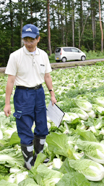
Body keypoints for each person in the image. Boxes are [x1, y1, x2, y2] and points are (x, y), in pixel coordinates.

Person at [3, 24, 57, 169]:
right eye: (26, 40)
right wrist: (7, 103)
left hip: (39, 92)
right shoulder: (15, 56)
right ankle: (28, 160)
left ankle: (39, 155)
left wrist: (52, 93)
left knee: (41, 123)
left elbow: (47, 76)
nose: (29, 43)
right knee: (25, 125)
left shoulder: (43, 55)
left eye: (31, 40)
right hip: (23, 93)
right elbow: (10, 80)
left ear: (38, 39)